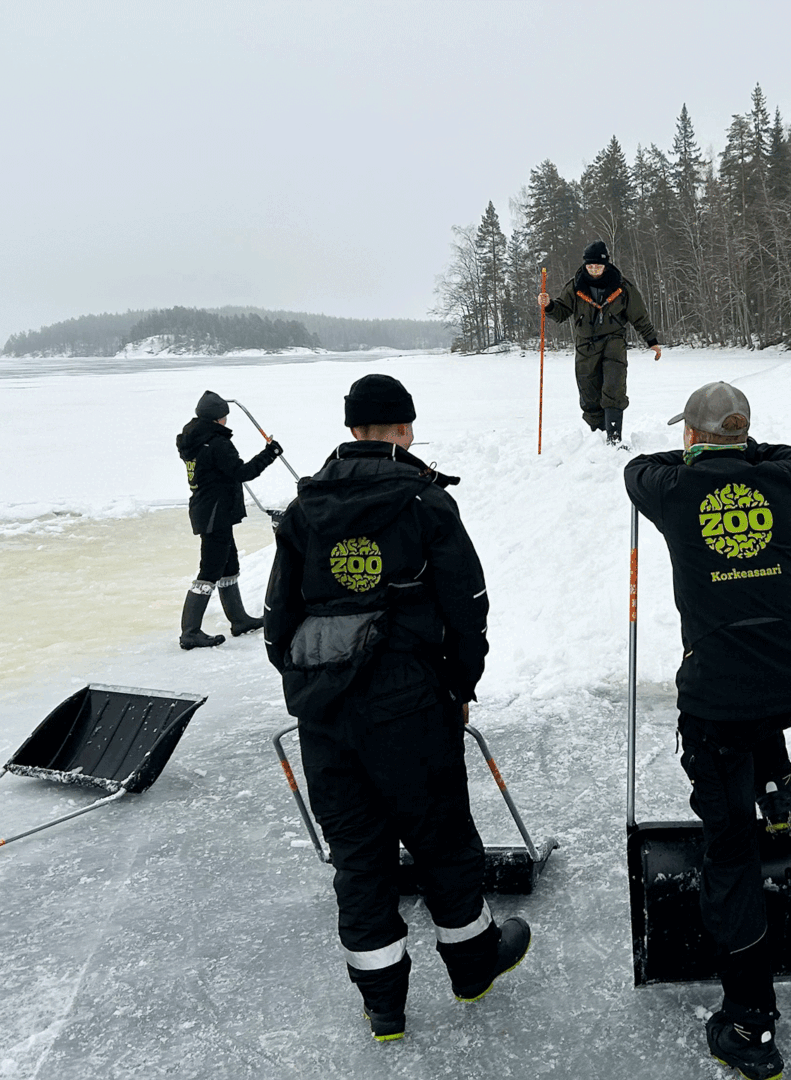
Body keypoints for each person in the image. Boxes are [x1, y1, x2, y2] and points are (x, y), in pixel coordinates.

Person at [263, 373, 530, 1042]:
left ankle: (383, 1005)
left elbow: (276, 621)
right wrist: (459, 687)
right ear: (404, 428)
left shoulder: (303, 511)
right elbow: (468, 609)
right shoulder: (425, 502)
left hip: (327, 714)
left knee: (358, 854)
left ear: (353, 430)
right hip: (411, 704)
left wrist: (319, 685)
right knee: (440, 837)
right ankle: (472, 968)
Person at [624, 381, 791, 1080]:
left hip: (719, 698)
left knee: (728, 852)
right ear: (745, 435)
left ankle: (749, 1021)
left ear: (691, 436)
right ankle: (777, 789)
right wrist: (750, 455)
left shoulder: (674, 491)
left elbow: (635, 469)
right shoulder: (783, 483)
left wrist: (706, 455)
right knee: (759, 709)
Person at [176, 390, 282, 649]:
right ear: (217, 418)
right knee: (210, 569)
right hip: (214, 513)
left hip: (210, 509)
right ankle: (190, 632)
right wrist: (270, 453)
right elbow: (242, 472)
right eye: (224, 416)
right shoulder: (216, 443)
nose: (226, 421)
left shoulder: (195, 439)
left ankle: (239, 619)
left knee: (229, 565)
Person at [538, 239, 661, 444]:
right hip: (586, 345)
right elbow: (561, 313)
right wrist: (549, 305)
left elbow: (639, 315)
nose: (594, 269)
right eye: (590, 265)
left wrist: (652, 341)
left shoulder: (622, 286)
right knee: (589, 394)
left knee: (614, 388)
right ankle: (598, 436)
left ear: (606, 265)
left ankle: (614, 437)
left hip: (614, 343)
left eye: (598, 265)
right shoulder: (576, 285)